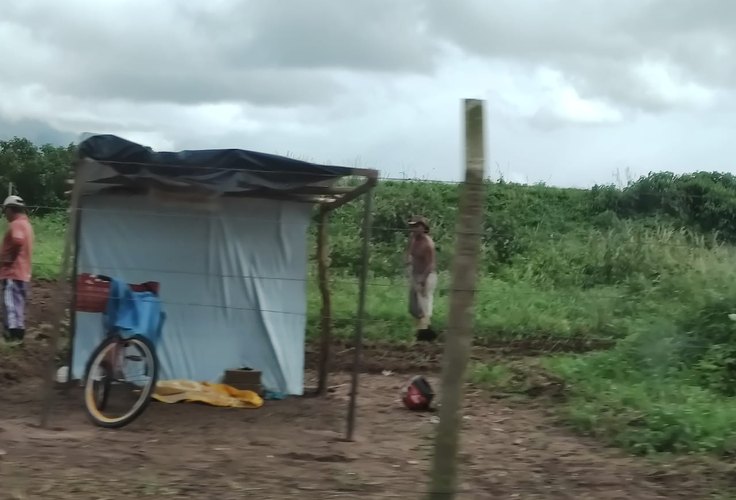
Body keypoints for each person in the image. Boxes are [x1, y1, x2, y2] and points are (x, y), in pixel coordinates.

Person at [1, 195, 34, 344]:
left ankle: (13, 334)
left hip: (12, 272)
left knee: (10, 303)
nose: (5, 214)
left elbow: (17, 240)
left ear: (10, 209)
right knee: (18, 302)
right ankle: (18, 332)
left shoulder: (16, 224)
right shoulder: (27, 224)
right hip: (23, 272)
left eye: (5, 210)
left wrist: (8, 258)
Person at [406, 215, 437, 342]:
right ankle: (426, 332)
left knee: (423, 307)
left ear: (423, 228)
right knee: (413, 308)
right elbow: (409, 253)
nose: (414, 229)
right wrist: (408, 262)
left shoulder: (428, 244)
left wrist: (422, 280)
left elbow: (431, 264)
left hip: (426, 276)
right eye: (412, 226)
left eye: (416, 226)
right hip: (415, 275)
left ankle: (423, 336)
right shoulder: (413, 239)